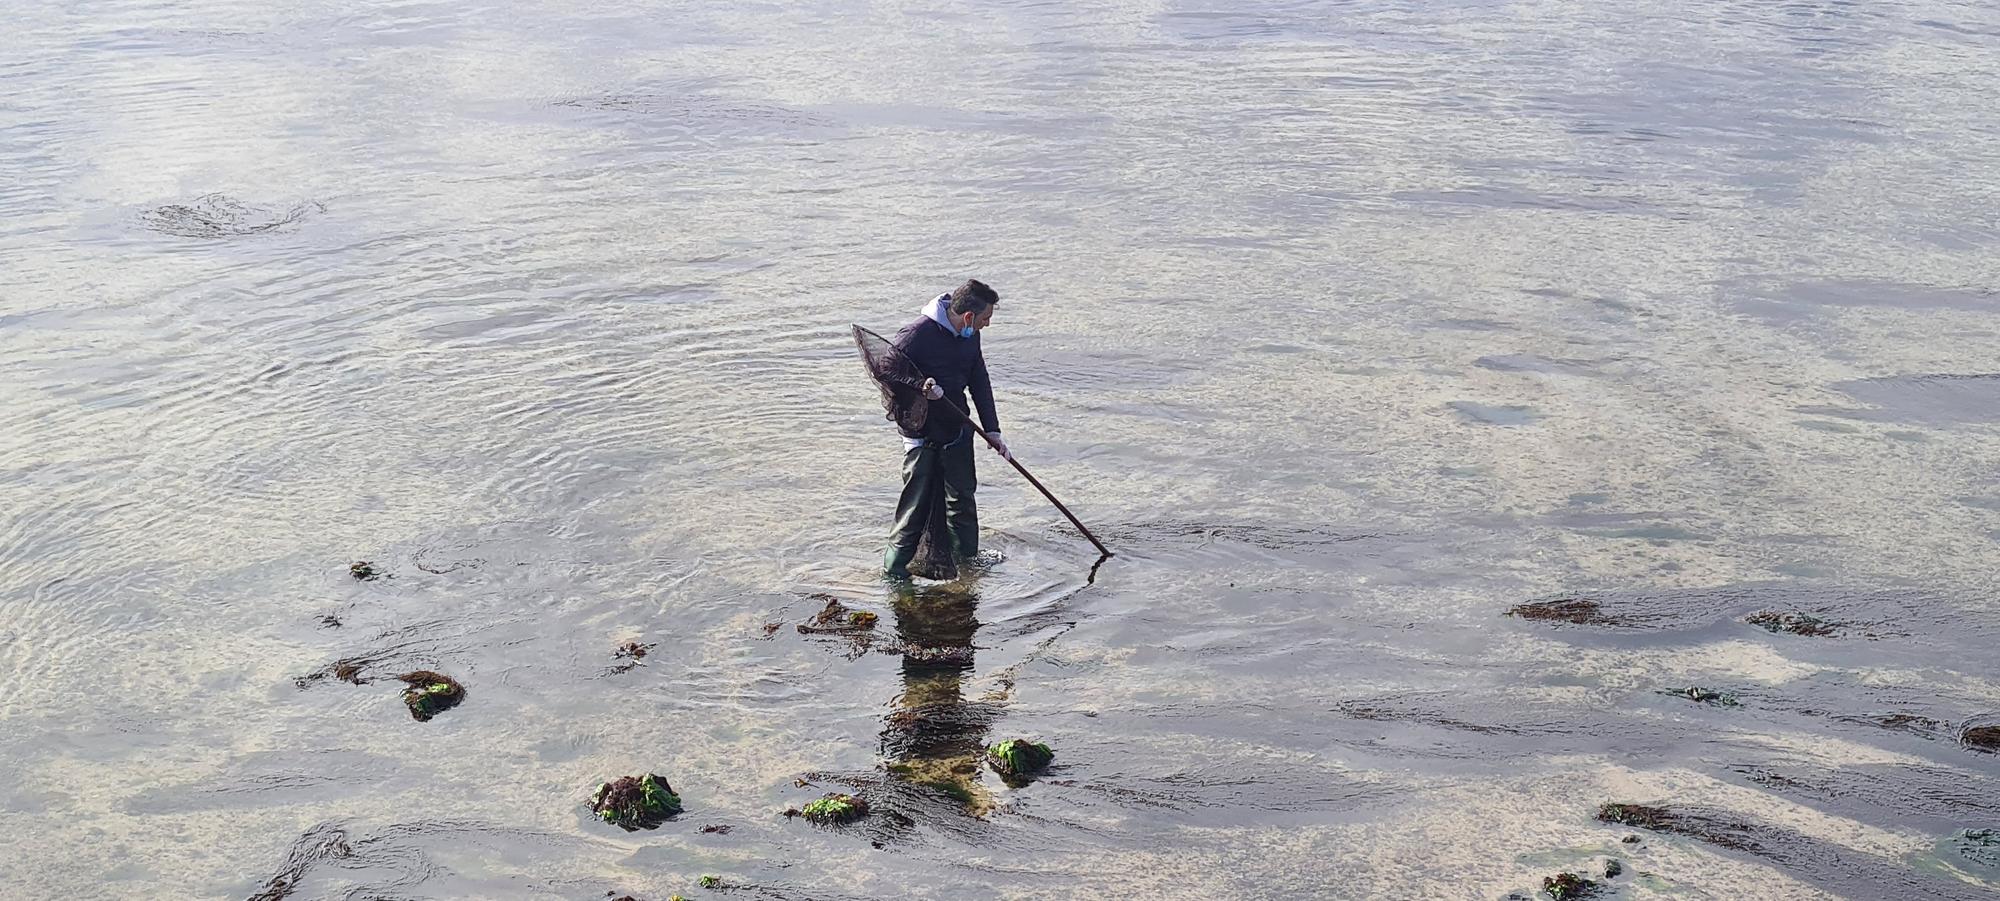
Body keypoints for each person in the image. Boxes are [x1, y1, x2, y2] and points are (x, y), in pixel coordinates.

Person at [883, 279, 1012, 579]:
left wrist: (993, 430)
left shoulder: (970, 337)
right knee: (916, 505)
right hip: (921, 433)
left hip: (957, 428)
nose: (986, 325)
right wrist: (920, 386)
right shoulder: (916, 335)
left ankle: (967, 560)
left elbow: (979, 378)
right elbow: (886, 370)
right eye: (984, 319)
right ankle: (894, 571)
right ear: (968, 316)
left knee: (962, 497)